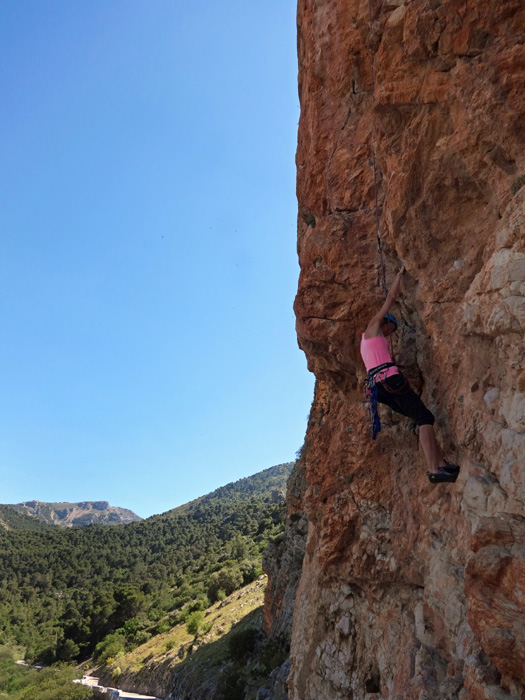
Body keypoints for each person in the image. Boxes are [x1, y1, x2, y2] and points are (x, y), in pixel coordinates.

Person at [360, 266, 460, 484]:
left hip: (379, 387)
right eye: (389, 329)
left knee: (421, 417)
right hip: (388, 381)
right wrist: (398, 277)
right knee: (425, 417)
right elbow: (391, 298)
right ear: (384, 322)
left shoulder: (366, 343)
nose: (388, 333)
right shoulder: (373, 326)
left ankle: (440, 463)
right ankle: (434, 468)